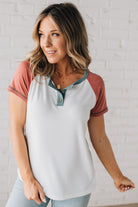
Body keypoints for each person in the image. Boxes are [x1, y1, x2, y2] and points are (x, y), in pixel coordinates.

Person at [5, 2, 135, 207]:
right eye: (41, 34)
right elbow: (16, 128)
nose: (45, 43)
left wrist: (117, 176)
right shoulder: (27, 73)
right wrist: (28, 178)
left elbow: (99, 138)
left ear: (72, 35)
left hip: (75, 185)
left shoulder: (94, 84)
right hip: (31, 180)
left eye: (55, 34)